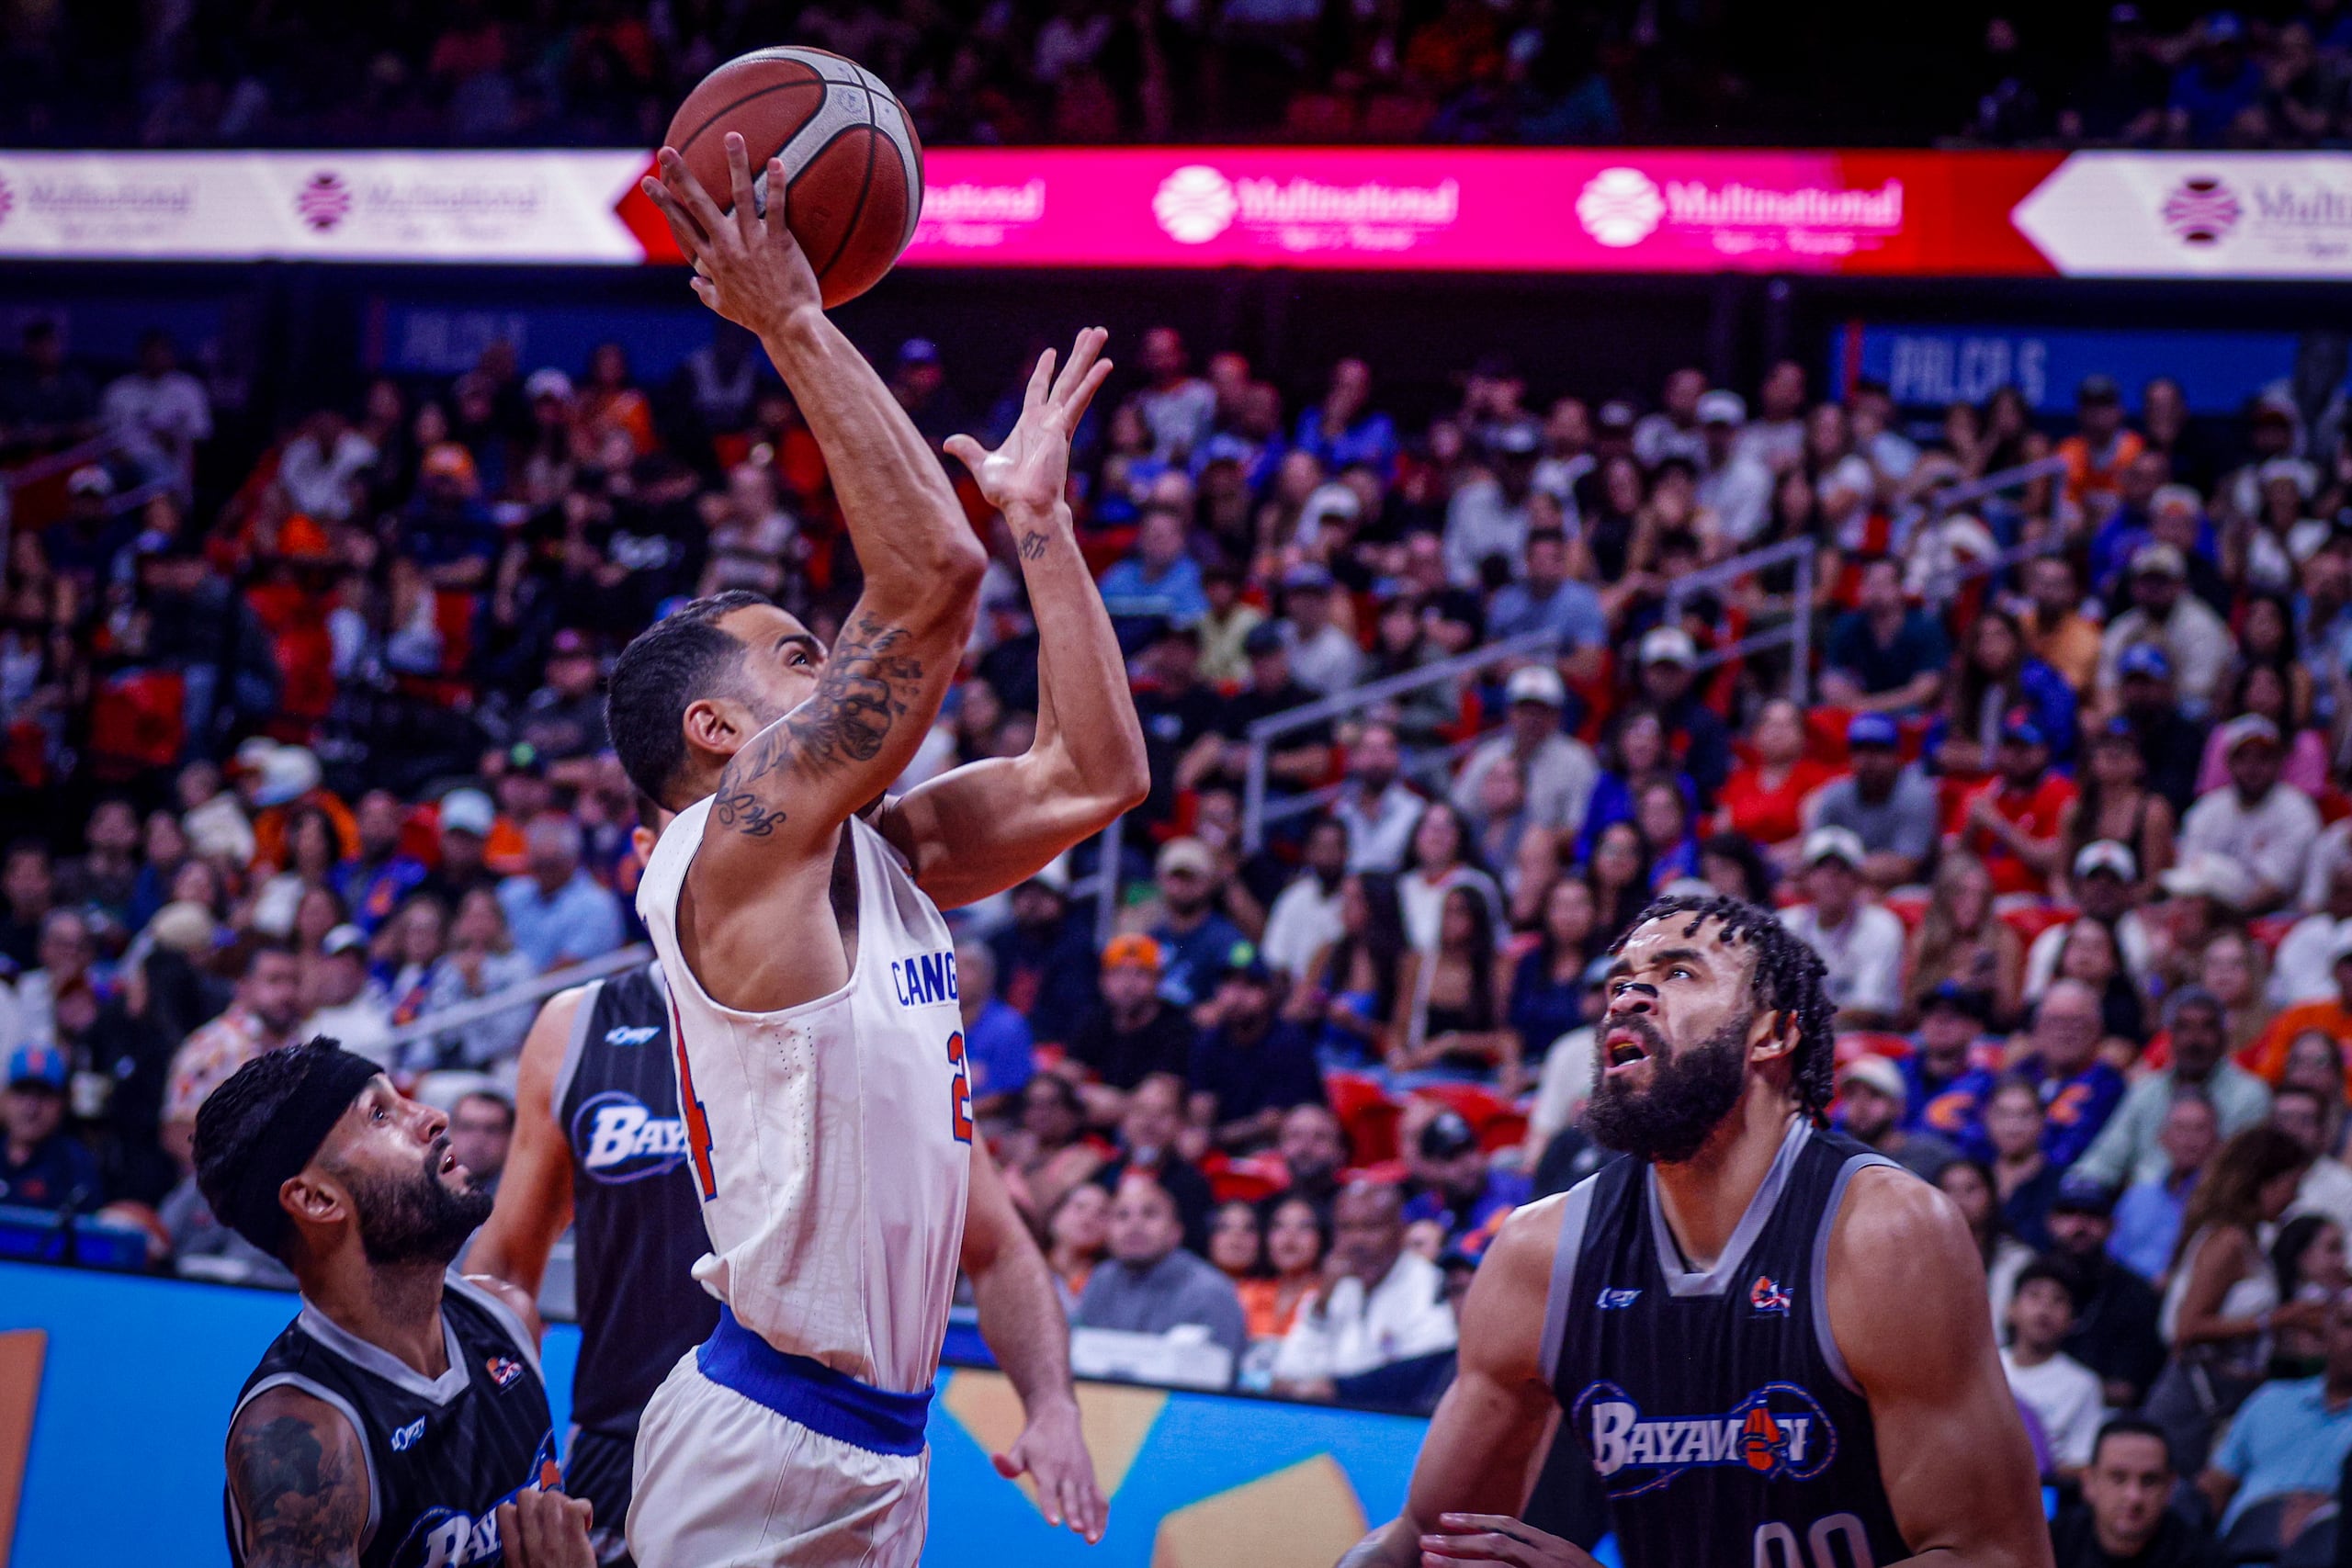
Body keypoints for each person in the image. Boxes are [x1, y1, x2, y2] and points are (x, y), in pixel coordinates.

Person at [616, 153, 1139, 1563]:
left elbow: (1092, 773)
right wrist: (791, 316)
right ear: (718, 731)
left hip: (876, 1440)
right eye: (802, 654)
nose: (834, 662)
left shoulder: (872, 851)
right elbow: (928, 581)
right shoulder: (728, 850)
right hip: (763, 1434)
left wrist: (1043, 528)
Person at [1342, 893, 2048, 1568]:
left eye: (1678, 972)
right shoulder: (1543, 1253)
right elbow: (1428, 1539)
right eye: (1620, 981)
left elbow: (1994, 1554)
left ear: (1773, 1033)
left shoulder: (1881, 1233)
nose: (1627, 996)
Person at [198, 1040, 596, 1568]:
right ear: (317, 1199)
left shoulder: (505, 1317)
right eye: (380, 1114)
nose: (433, 1117)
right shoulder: (303, 1437)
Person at [466, 939, 721, 1564]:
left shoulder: (835, 1010)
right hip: (620, 1439)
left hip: (793, 1442)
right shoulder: (579, 1022)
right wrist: (488, 1443)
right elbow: (504, 1266)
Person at [2148, 1125, 2315, 1477]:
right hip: (2196, 1400)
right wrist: (2278, 1319)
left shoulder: (2252, 1240)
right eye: (2292, 1184)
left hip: (2231, 1394)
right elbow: (2187, 1327)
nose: (2295, 1197)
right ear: (2265, 1183)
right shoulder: (2227, 1241)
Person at [1271, 1179, 1459, 1408]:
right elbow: (1285, 1375)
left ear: (1401, 1231)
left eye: (1370, 1227)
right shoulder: (1333, 1287)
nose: (1356, 1240)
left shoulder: (1430, 1285)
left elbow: (1425, 1375)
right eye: (1346, 1228)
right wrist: (1322, 1304)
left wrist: (1338, 1389)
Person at [2197, 1293, 2352, 1558]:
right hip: (2238, 1550)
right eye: (2348, 1324)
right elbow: (2214, 1487)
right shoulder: (2271, 1400)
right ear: (2325, 1331)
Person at [2079, 988, 2271, 1190]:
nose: (2194, 1039)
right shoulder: (2146, 1090)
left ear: (2223, 1037)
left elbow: (2242, 1173)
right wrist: (2080, 1186)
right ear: (2169, 1036)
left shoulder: (2250, 1095)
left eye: (2207, 1027)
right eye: (2183, 1027)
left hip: (2213, 1200)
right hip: (2143, 1199)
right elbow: (2104, 1161)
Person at [1069, 1172, 1250, 1379]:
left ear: (1176, 1232)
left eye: (1150, 1214)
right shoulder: (1100, 1280)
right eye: (1122, 1215)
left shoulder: (1210, 1292)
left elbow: (1221, 1378)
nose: (1134, 1225)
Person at [2176, 716, 2320, 917]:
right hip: (2206, 916)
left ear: (2279, 762)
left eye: (2263, 757)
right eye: (2242, 757)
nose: (2252, 766)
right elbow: (2189, 872)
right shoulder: (2207, 809)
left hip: (2277, 919)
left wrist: (2220, 919)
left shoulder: (2297, 810)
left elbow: (2275, 889)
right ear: (2228, 762)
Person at [2046, 1177, 2168, 1411]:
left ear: (2112, 1225)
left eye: (2092, 1215)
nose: (2079, 1226)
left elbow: (2126, 1389)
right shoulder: (2028, 1283)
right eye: (2069, 1213)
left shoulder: (2136, 1294)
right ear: (2051, 1222)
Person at [1187, 945, 1323, 1152]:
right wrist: (1198, 1131)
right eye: (1228, 984)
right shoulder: (1209, 1041)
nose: (1235, 996)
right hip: (1223, 1146)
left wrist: (1213, 1138)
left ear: (1269, 993)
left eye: (1249, 985)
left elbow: (1273, 1122)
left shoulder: (1290, 1041)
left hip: (1280, 1149)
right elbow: (1201, 1104)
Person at [2051, 1417, 2223, 1568]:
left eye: (2149, 1481)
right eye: (2118, 1478)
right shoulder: (2050, 1544)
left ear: (2170, 1487)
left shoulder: (2204, 1559)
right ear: (2089, 1481)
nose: (2134, 1496)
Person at [1451, 665, 1599, 839]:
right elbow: (1458, 811)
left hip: (1549, 851)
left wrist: (1535, 841)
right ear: (1510, 712)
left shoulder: (1577, 760)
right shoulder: (1487, 755)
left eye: (1541, 711)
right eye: (1524, 710)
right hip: (1484, 847)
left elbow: (1580, 826)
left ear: (1557, 715)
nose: (1532, 719)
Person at [1776, 827, 1905, 1025]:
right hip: (1798, 1031)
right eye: (1822, 868)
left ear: (1858, 879)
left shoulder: (1882, 926)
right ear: (1806, 878)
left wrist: (1807, 1020)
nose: (1832, 878)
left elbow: (1870, 1009)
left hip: (1860, 1035)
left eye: (1842, 869)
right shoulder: (1786, 924)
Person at [1805, 712, 1941, 891]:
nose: (1868, 760)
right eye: (1860, 750)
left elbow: (1904, 869)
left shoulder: (1916, 795)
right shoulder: (1836, 794)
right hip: (1846, 888)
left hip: (1909, 889)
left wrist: (1844, 865)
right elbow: (1812, 860)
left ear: (1897, 755)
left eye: (1878, 750)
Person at [2002, 1259, 2105, 1483]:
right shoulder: (1985, 1368)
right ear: (2010, 1309)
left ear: (2072, 1321)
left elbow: (2082, 1463)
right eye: (2034, 1295)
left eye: (2058, 1300)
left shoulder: (2083, 1385)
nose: (2044, 1308)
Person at [1067, 935, 1195, 1111]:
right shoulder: (1093, 1019)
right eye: (1118, 973)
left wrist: (1109, 1103)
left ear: (1158, 979)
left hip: (1148, 1121)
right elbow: (1065, 1077)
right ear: (1102, 980)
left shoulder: (1177, 1026)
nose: (1128, 984)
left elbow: (1161, 1096)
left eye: (1141, 973)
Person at [2109, 1091, 2220, 1283]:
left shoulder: (2219, 1202)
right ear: (2162, 1137)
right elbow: (2113, 1255)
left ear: (2217, 1139)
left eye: (2200, 1129)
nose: (2189, 1139)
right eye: (2180, 1128)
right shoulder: (2137, 1196)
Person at [1821, 557, 1952, 716]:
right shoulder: (1847, 624)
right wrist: (1861, 707)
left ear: (1901, 588)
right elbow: (1831, 681)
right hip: (1859, 713)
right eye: (1869, 584)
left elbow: (1925, 690)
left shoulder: (1925, 626)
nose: (1875, 591)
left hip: (1912, 714)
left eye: (1883, 584)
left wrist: (1869, 707)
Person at [1405, 1109, 1532, 1261]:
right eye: (1451, 1156)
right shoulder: (1420, 1210)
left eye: (1469, 1149)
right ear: (1432, 1166)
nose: (1466, 1163)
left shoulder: (1517, 1191)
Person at [2, 1042, 101, 1211]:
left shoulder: (75, 1165)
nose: (31, 1108)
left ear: (62, 1103)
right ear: (4, 1098)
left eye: (43, 1095)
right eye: (22, 1093)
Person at [1832, 1052, 1957, 1181]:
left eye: (1874, 1095)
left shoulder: (1930, 1155)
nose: (1861, 1106)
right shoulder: (1835, 1158)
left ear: (1898, 1106)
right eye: (1852, 1095)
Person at [1261, 817, 1350, 983]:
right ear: (1309, 852)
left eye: (1333, 847)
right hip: (1292, 988)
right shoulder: (1294, 895)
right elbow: (1274, 957)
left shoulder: (1354, 899)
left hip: (1337, 989)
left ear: (1346, 853)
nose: (1326, 856)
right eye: (1321, 847)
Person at [1331, 722, 1426, 875]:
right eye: (1369, 750)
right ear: (1352, 759)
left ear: (1397, 757)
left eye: (1385, 749)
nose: (1377, 758)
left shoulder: (1415, 810)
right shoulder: (1341, 811)